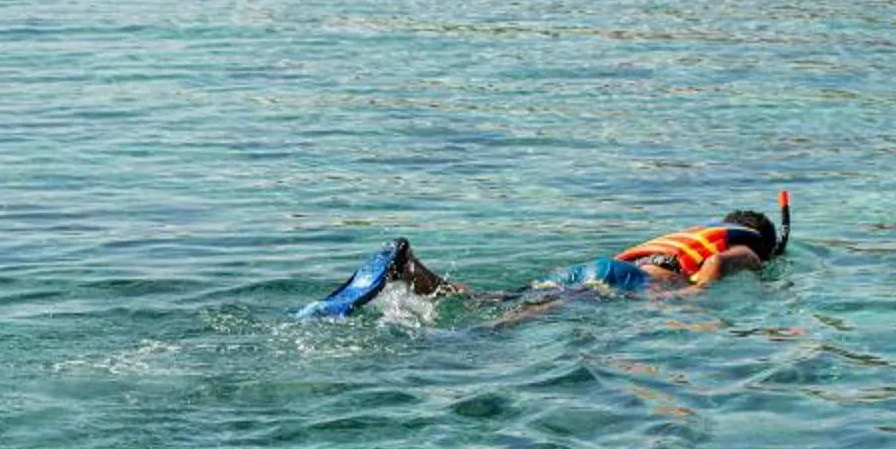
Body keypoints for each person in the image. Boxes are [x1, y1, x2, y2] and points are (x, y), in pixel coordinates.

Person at [296, 193, 789, 319]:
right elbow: (722, 265)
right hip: (629, 279)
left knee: (501, 298)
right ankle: (464, 348)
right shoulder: (747, 247)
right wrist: (690, 299)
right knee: (522, 320)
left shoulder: (695, 232)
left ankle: (411, 271)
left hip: (601, 265)